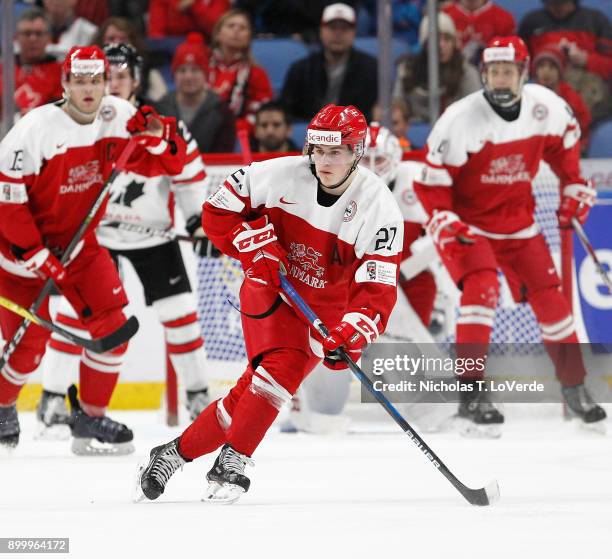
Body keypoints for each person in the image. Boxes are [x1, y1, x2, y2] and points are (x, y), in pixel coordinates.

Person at [135, 104, 404, 503]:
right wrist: (250, 247)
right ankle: (233, 461)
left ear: (357, 152)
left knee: (247, 395)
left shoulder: (379, 206)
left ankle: (174, 453)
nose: (325, 161)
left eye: (337, 152)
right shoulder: (277, 173)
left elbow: (376, 286)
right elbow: (215, 213)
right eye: (319, 150)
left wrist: (353, 331)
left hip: (324, 313)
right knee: (280, 373)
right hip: (270, 289)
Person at [413, 36, 606, 437]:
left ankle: (574, 387)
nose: (500, 79)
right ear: (484, 74)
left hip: (520, 223)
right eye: (493, 72)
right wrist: (447, 222)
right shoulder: (459, 118)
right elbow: (430, 184)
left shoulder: (546, 108)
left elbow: (566, 159)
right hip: (470, 227)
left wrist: (574, 190)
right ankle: (472, 394)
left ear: (523, 72)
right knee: (481, 293)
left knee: (552, 301)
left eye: (508, 71)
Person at [0, 45, 188, 453]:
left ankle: (90, 418)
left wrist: (159, 136)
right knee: (28, 346)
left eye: (96, 81)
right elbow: (8, 203)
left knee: (114, 328)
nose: (88, 90)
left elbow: (169, 161)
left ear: (107, 82)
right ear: (64, 83)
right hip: (19, 256)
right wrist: (32, 253)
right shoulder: (32, 131)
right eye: (79, 82)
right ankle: (2, 405)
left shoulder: (118, 116)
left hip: (79, 247)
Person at [34, 43, 214, 437]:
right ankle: (51, 399)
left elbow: (188, 177)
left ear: (135, 80)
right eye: (105, 76)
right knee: (73, 315)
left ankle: (198, 396)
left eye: (120, 76)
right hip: (93, 237)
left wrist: (198, 220)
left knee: (180, 314)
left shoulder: (161, 125)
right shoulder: (74, 124)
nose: (112, 83)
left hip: (152, 237)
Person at [283, 123, 437, 435]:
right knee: (324, 400)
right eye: (366, 160)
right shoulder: (319, 184)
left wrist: (413, 269)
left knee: (433, 409)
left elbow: (445, 235)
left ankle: (427, 404)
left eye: (380, 161)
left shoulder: (413, 182)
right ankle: (308, 404)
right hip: (337, 290)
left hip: (389, 289)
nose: (372, 170)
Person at [280, 3, 378, 121]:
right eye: (332, 28)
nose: (338, 34)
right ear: (321, 31)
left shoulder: (371, 70)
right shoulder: (301, 70)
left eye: (344, 28)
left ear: (353, 33)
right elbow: (285, 112)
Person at [519, 0, 612, 120]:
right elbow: (519, 65)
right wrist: (548, 59)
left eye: (563, 4)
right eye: (553, 5)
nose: (558, 8)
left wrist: (586, 60)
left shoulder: (595, 20)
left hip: (585, 91)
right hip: (544, 92)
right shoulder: (531, 22)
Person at [155, 34, 236, 154]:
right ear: (174, 75)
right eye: (182, 70)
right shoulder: (160, 108)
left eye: (195, 70)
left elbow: (224, 156)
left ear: (206, 74)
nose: (188, 77)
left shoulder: (222, 110)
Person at [394, 12, 481, 122]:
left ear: (454, 43)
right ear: (424, 44)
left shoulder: (467, 73)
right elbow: (398, 107)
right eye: (435, 39)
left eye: (447, 39)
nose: (441, 45)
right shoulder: (407, 70)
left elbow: (475, 113)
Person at [207, 10, 273, 132]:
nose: (236, 30)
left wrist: (231, 130)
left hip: (239, 136)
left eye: (243, 28)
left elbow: (261, 113)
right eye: (231, 26)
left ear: (248, 38)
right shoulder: (202, 67)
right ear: (217, 34)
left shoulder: (257, 73)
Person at [1, 8, 62, 116]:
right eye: (27, 33)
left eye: (38, 33)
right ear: (16, 37)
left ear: (48, 37)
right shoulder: (3, 69)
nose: (33, 39)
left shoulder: (61, 73)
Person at [532, 44, 591, 153]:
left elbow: (584, 123)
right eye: (541, 66)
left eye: (551, 67)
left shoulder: (571, 97)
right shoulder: (530, 95)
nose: (546, 71)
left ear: (560, 71)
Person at [94, 17, 168, 102]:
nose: (117, 44)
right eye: (111, 39)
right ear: (100, 42)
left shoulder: (148, 73)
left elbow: (161, 104)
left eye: (123, 39)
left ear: (132, 43)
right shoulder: (90, 71)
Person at [443, 0, 516, 65]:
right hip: (449, 75)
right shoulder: (443, 15)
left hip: (491, 76)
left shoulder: (504, 19)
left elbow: (510, 61)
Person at [147, 0, 230, 40]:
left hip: (207, 45)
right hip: (170, 48)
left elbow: (217, 29)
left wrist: (195, 5)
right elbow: (156, 34)